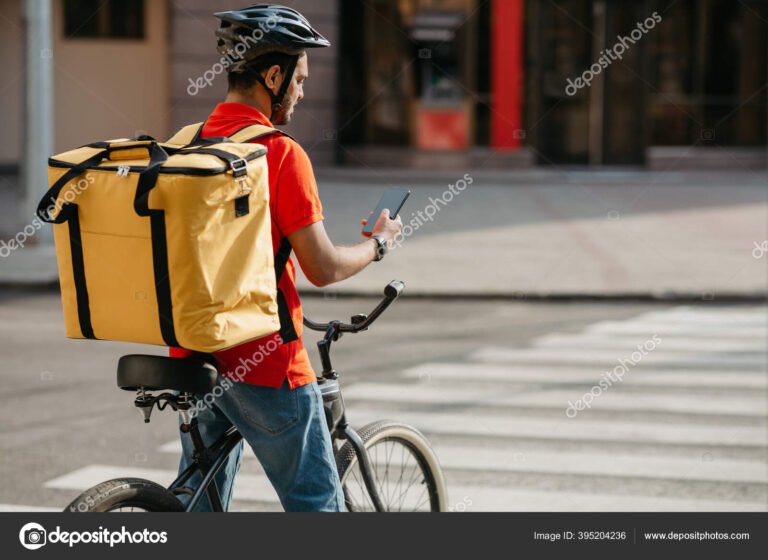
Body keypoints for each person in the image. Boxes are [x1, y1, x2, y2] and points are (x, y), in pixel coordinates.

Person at [169, 4, 403, 512]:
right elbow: (322, 268)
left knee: (199, 506)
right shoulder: (279, 153)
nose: (301, 91)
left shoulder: (186, 144)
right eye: (298, 79)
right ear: (272, 75)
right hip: (265, 361)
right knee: (317, 505)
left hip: (193, 352)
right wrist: (379, 245)